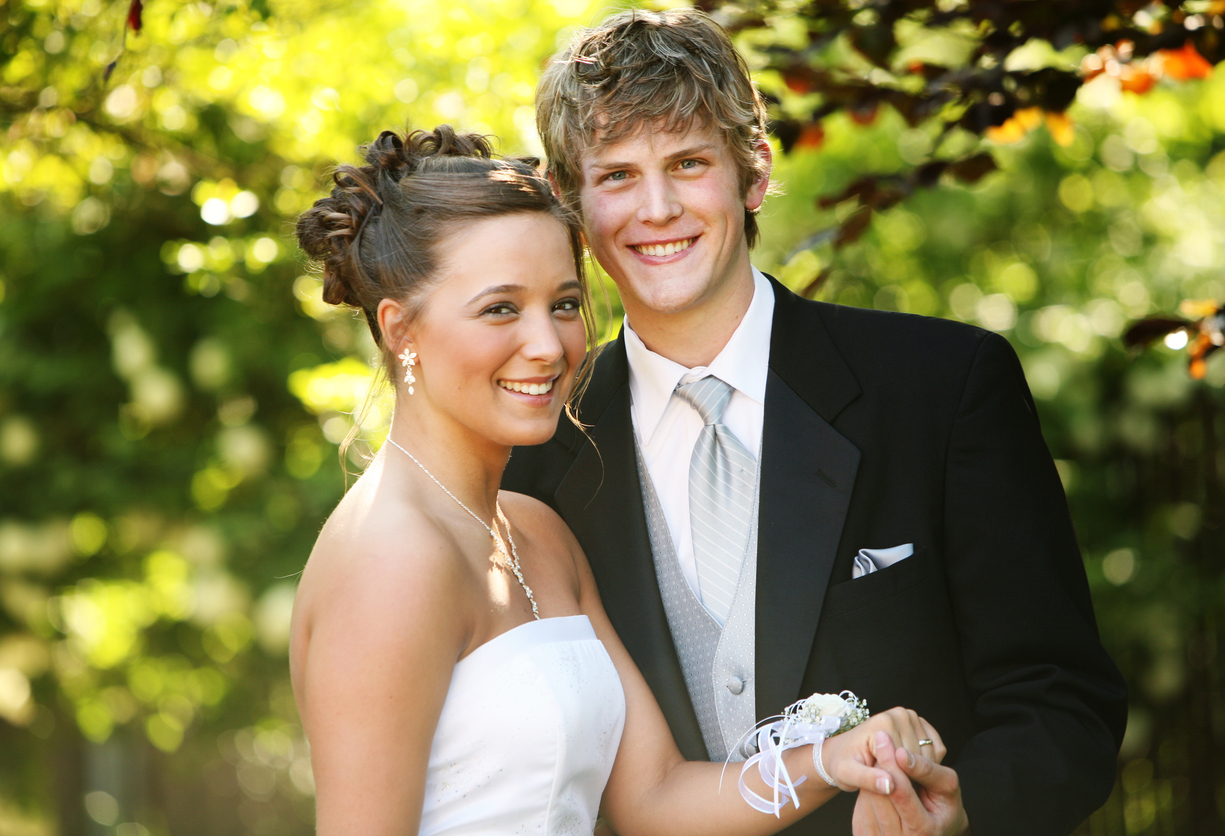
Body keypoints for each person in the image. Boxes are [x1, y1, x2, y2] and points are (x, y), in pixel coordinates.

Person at [502, 9, 1128, 836]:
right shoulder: (537, 453)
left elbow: (1061, 700)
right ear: (569, 199)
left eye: (688, 163)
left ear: (753, 172)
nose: (655, 209)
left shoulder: (942, 389)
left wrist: (963, 810)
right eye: (616, 175)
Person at [288, 125, 946, 836]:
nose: (548, 346)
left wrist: (835, 760)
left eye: (565, 304)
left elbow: (654, 797)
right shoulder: (391, 560)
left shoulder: (537, 532)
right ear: (400, 330)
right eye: (501, 308)